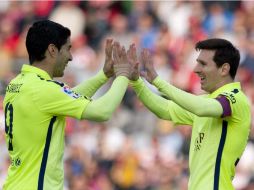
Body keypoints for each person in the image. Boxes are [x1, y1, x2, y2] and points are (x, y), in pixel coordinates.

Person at [3, 20, 138, 190]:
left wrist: (103, 76)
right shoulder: (44, 90)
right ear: (52, 50)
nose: (70, 57)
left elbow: (66, 98)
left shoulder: (17, 83)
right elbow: (103, 112)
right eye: (67, 48)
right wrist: (123, 75)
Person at [130, 38, 251, 190]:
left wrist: (158, 81)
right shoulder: (206, 101)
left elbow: (202, 108)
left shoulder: (236, 98)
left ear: (224, 69)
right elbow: (165, 109)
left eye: (203, 64)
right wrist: (137, 82)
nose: (195, 69)